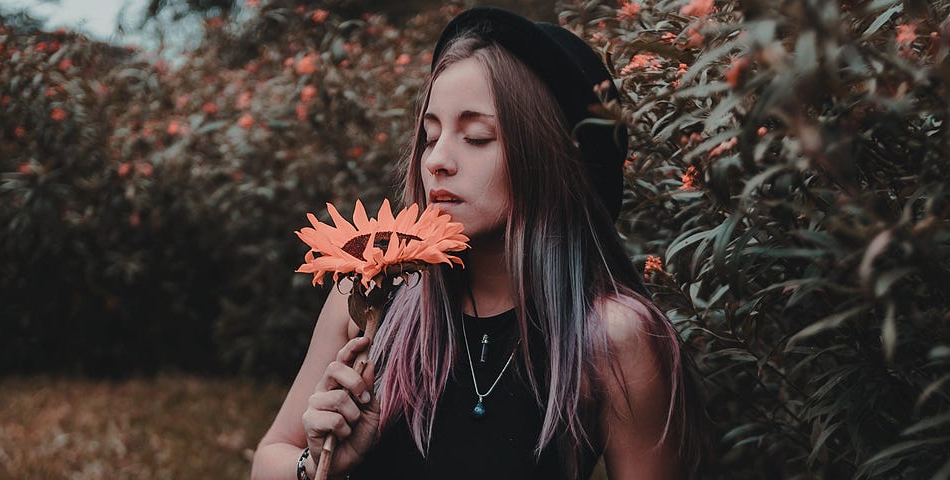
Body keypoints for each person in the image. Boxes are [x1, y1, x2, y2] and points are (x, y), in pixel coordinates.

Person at [252, 7, 707, 479]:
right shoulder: (372, 298)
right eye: (431, 136)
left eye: (476, 137)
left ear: (548, 159)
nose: (438, 161)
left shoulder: (611, 338)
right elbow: (270, 457)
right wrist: (318, 462)